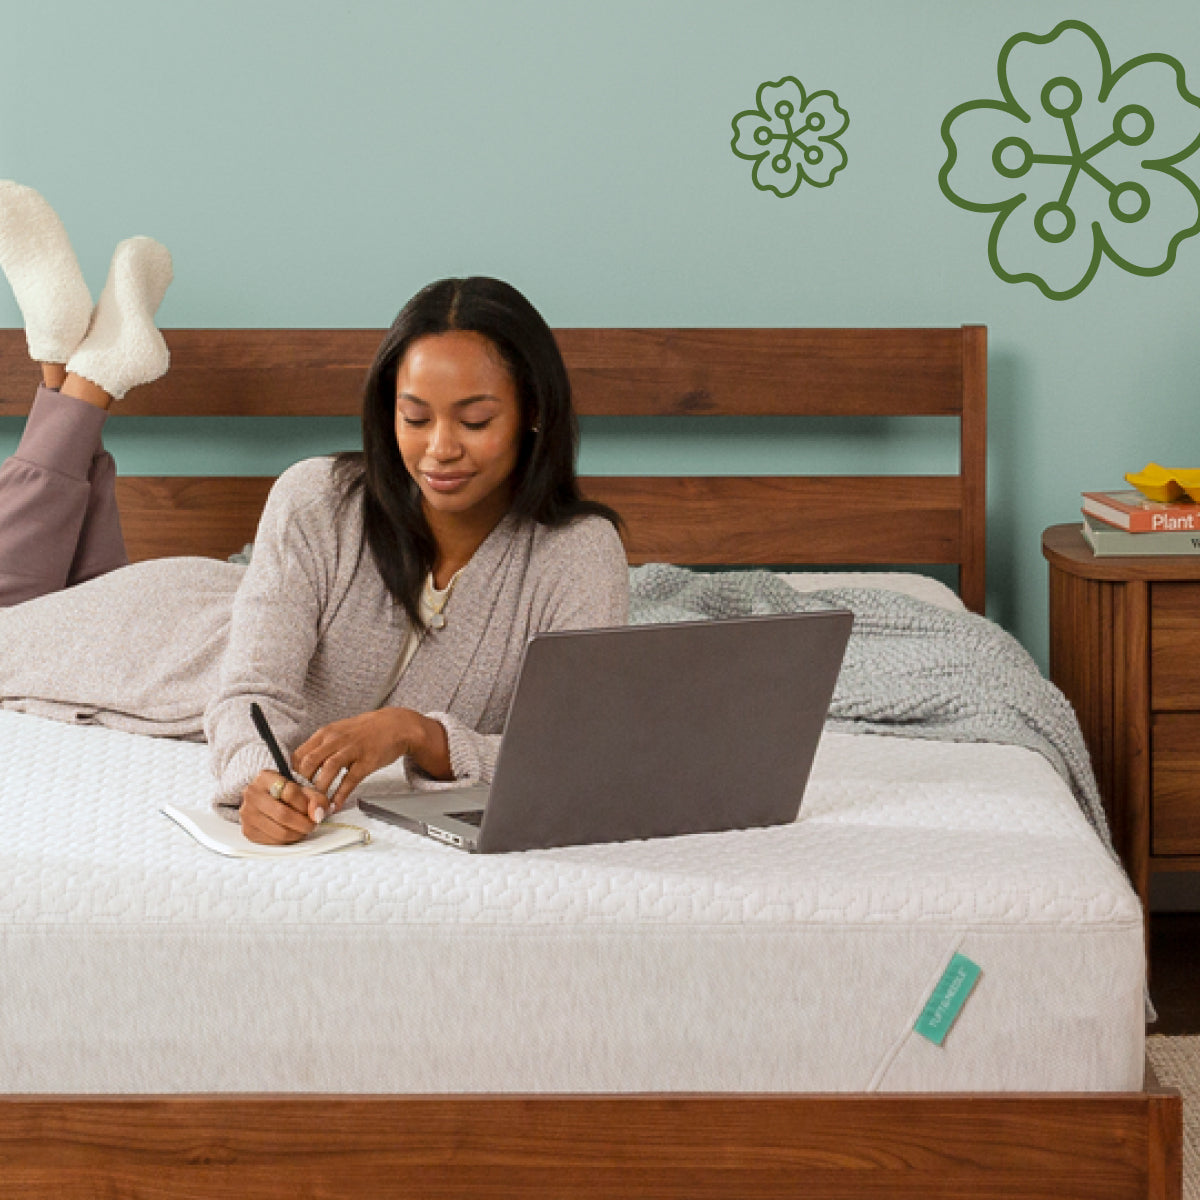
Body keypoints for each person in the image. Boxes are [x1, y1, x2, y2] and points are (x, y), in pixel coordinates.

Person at [0, 183, 629, 844]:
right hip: (171, 647)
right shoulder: (318, 498)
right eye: (415, 418)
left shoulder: (578, 553)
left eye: (474, 421)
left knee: (40, 590)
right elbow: (249, 692)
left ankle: (69, 374)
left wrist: (420, 733)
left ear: (534, 413)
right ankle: (79, 381)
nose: (441, 449)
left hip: (207, 605)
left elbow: (583, 755)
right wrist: (255, 781)